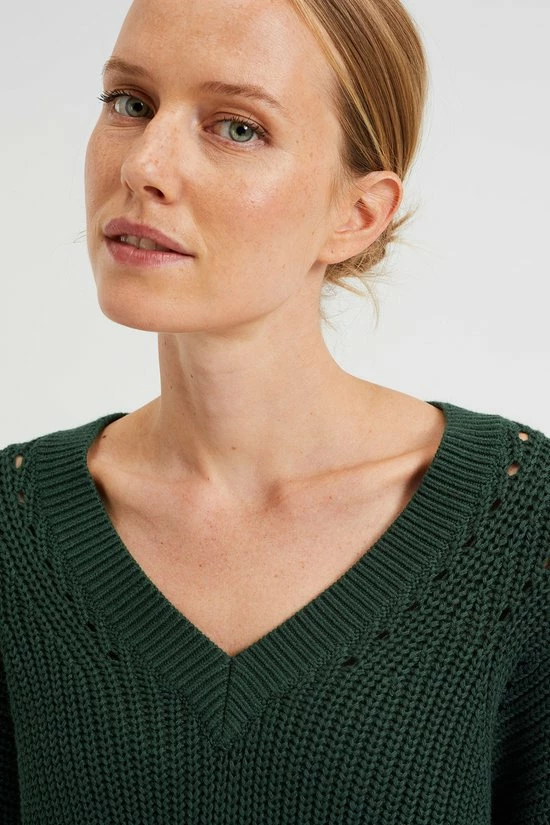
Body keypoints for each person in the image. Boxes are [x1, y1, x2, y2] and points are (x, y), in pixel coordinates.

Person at [0, 0, 548, 822]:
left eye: (238, 128)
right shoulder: (16, 532)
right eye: (131, 102)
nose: (144, 165)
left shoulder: (522, 529)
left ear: (357, 214)